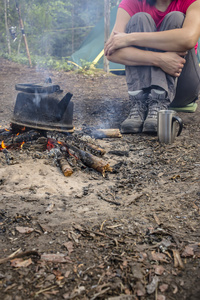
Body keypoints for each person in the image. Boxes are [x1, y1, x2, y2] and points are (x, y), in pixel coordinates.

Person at [104, 0, 200, 133]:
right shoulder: (132, 2)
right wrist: (159, 59)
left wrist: (130, 38)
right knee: (139, 19)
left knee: (175, 17)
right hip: (144, 91)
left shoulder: (192, 1)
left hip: (182, 85)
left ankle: (159, 103)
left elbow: (189, 39)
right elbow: (111, 52)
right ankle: (139, 103)